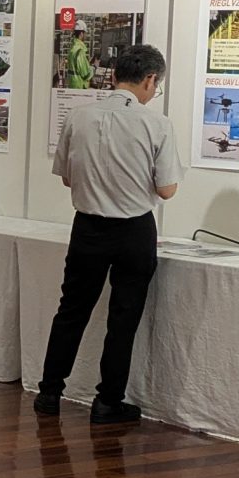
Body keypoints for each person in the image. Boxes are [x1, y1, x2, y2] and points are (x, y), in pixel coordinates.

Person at [36, 44, 180, 423]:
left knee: (71, 310)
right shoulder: (157, 124)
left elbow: (67, 178)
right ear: (150, 80)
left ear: (114, 75)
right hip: (134, 230)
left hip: (87, 227)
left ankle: (49, 392)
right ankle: (108, 401)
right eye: (156, 86)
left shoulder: (78, 116)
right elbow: (167, 190)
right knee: (123, 318)